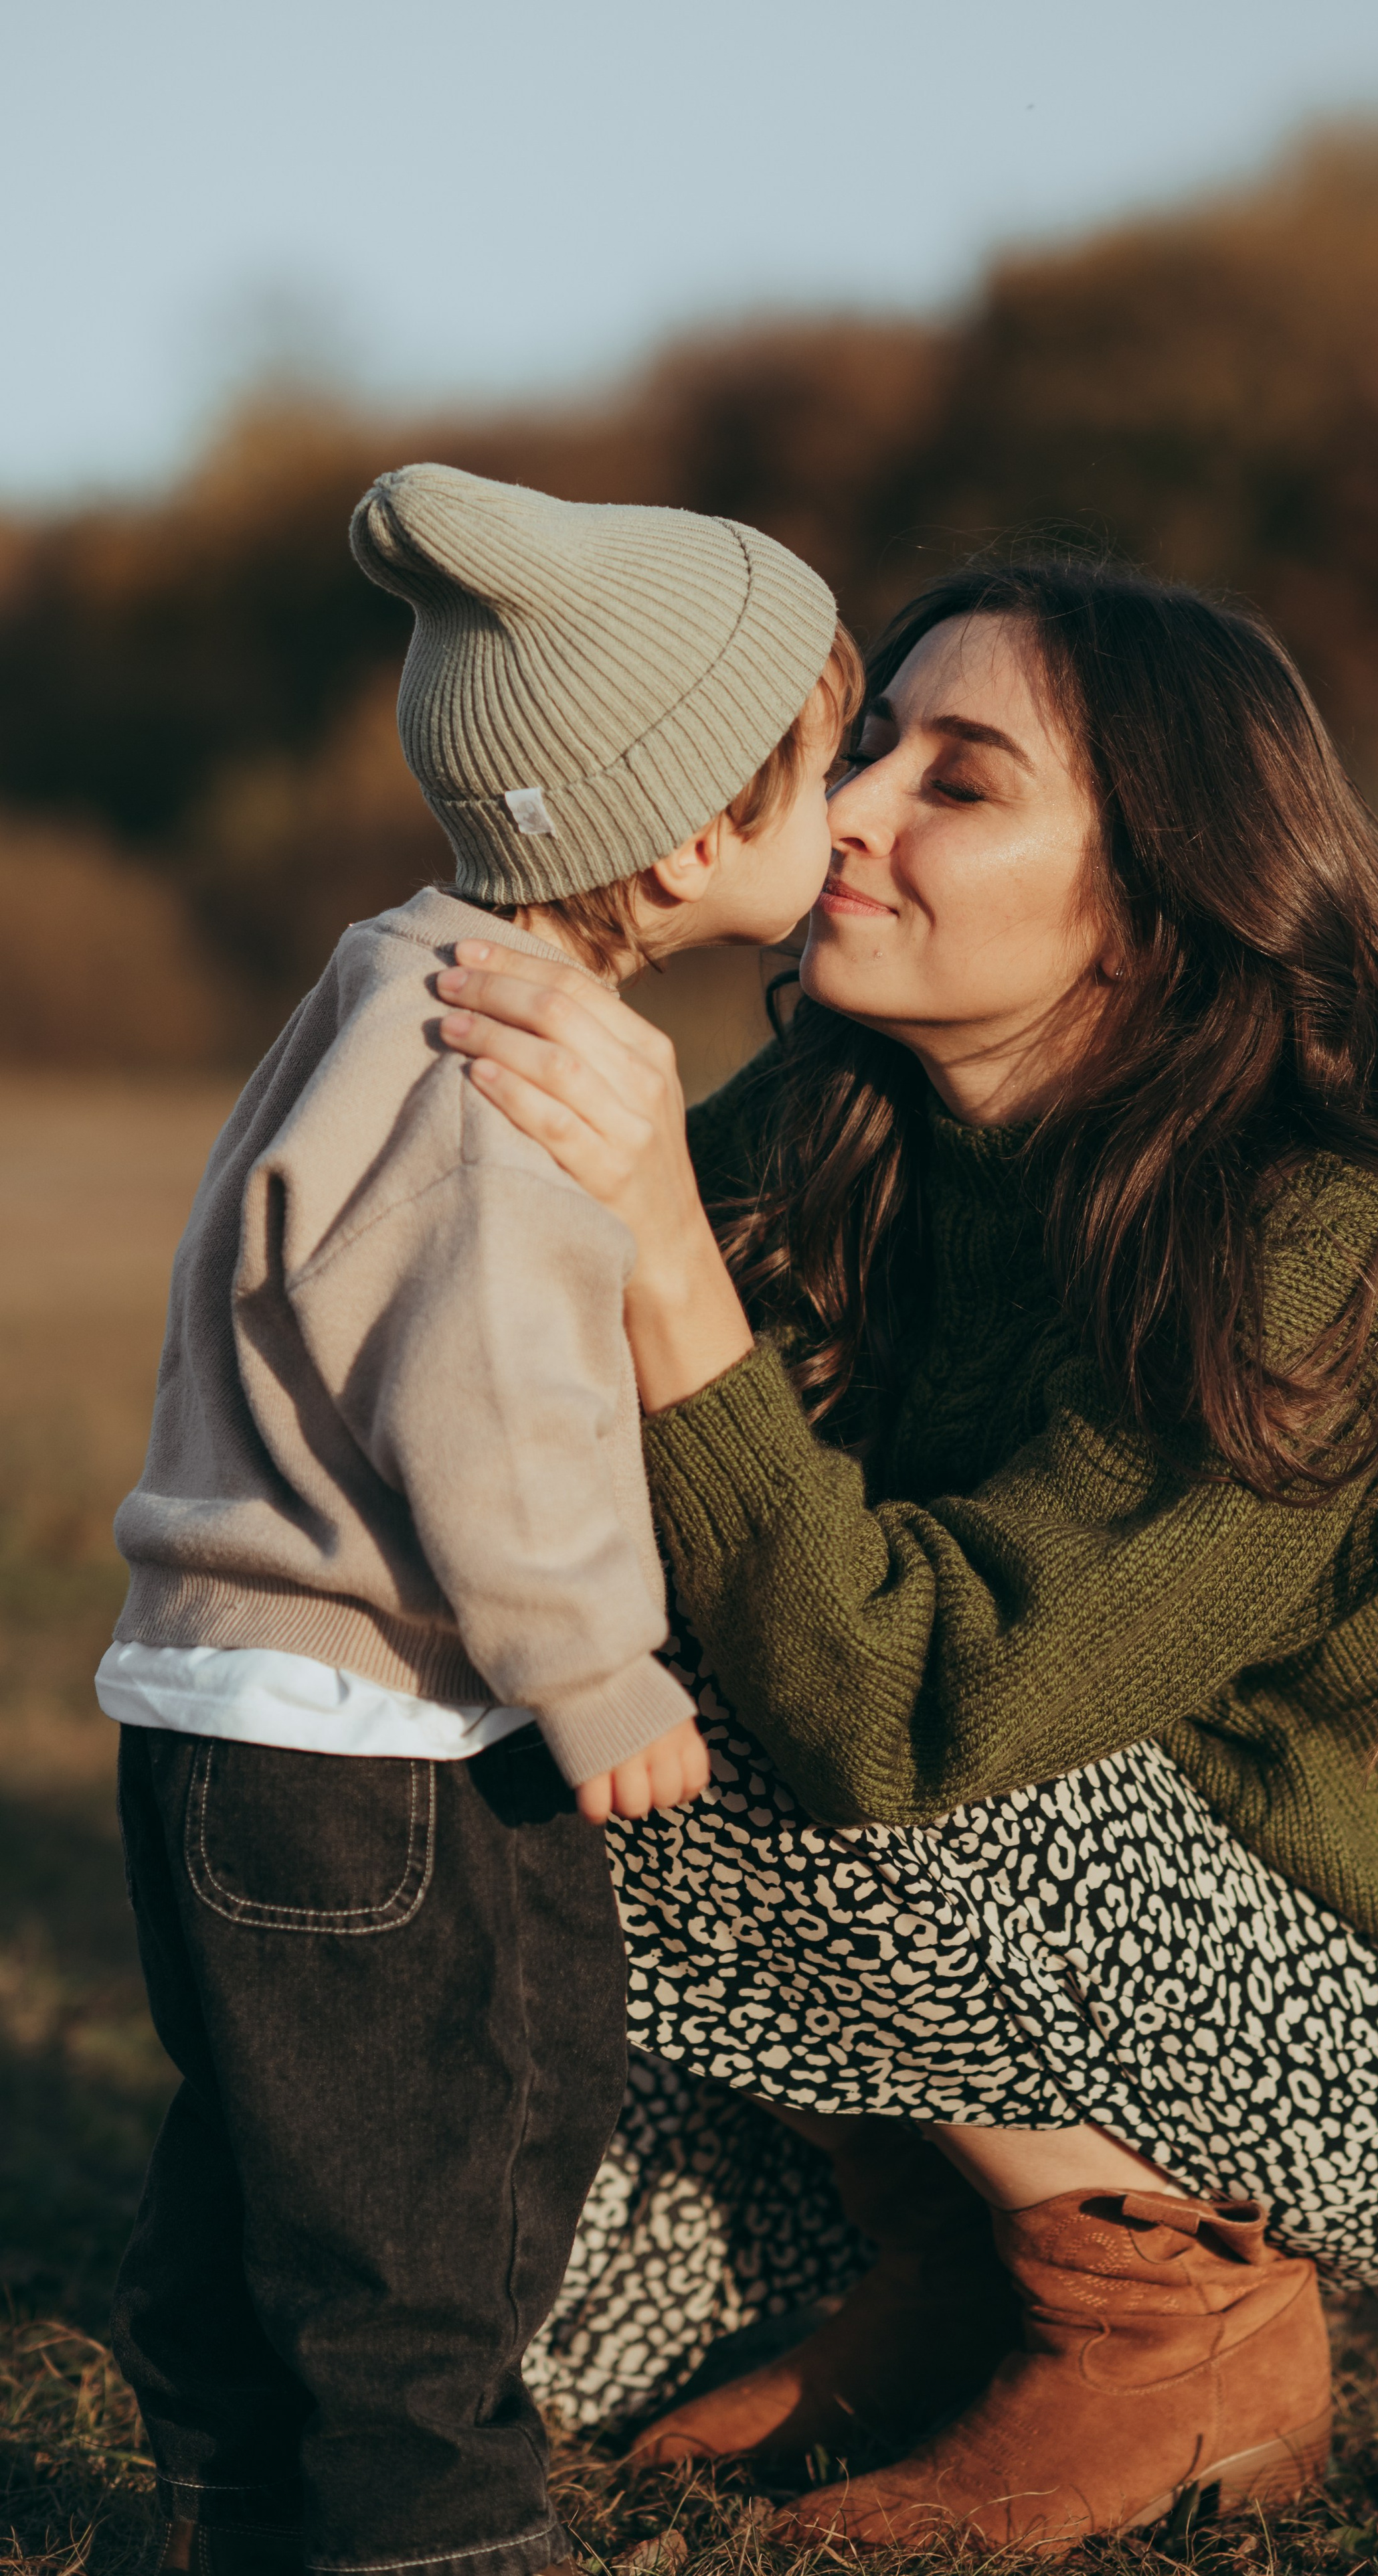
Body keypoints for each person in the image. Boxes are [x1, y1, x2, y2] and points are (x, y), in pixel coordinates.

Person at [434, 554, 1378, 2552]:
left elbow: (914, 1705)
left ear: (1164, 896)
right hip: (986, 1897)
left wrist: (659, 1248)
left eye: (960, 781)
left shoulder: (1339, 1230)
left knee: (622, 1699)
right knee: (532, 2324)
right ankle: (952, 2253)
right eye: (867, 745)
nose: (844, 810)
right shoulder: (843, 1116)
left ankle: (1173, 2331)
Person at [94, 461, 861, 2576]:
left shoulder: (389, 980)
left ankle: (228, 2502)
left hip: (240, 1709)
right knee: (440, 2183)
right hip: (371, 1742)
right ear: (700, 831)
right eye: (828, 769)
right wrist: (595, 1667)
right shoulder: (510, 1074)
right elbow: (490, 1402)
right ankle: (436, 2539)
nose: (851, 815)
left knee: (292, 2143)